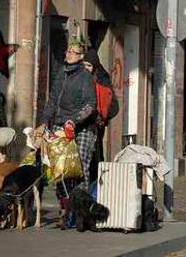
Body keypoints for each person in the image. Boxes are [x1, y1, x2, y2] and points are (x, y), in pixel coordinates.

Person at [39, 37, 97, 229]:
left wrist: (75, 119)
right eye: (68, 52)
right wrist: (43, 122)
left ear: (80, 57)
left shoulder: (86, 77)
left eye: (73, 53)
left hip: (82, 128)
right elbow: (53, 100)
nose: (69, 55)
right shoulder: (61, 74)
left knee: (79, 170)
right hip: (60, 125)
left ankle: (83, 214)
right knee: (60, 171)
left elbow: (90, 104)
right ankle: (64, 211)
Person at [82, 49, 119, 183]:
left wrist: (103, 117)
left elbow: (114, 106)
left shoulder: (103, 80)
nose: (86, 68)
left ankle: (93, 190)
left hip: (95, 127)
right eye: (84, 65)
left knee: (94, 159)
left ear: (95, 67)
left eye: (89, 65)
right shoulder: (77, 77)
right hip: (79, 125)